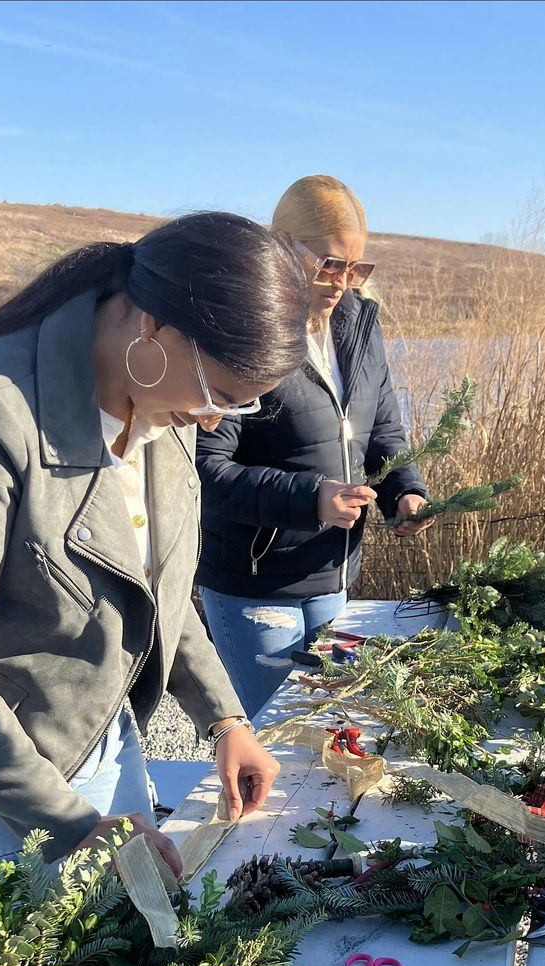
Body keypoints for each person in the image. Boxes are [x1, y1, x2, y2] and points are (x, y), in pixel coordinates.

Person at [0, 213, 307, 918]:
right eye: (220, 392)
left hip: (96, 729)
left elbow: (154, 591)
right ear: (154, 332)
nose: (219, 419)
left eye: (240, 401)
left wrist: (226, 720)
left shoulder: (162, 405)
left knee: (136, 925)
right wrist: (71, 828)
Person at [195, 175, 428, 716]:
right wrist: (312, 498)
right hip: (255, 585)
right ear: (280, 246)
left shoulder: (360, 326)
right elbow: (207, 469)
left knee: (329, 728)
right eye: (328, 264)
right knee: (277, 737)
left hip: (333, 575)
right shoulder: (245, 331)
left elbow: (384, 430)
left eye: (356, 267)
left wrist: (404, 491)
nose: (343, 281)